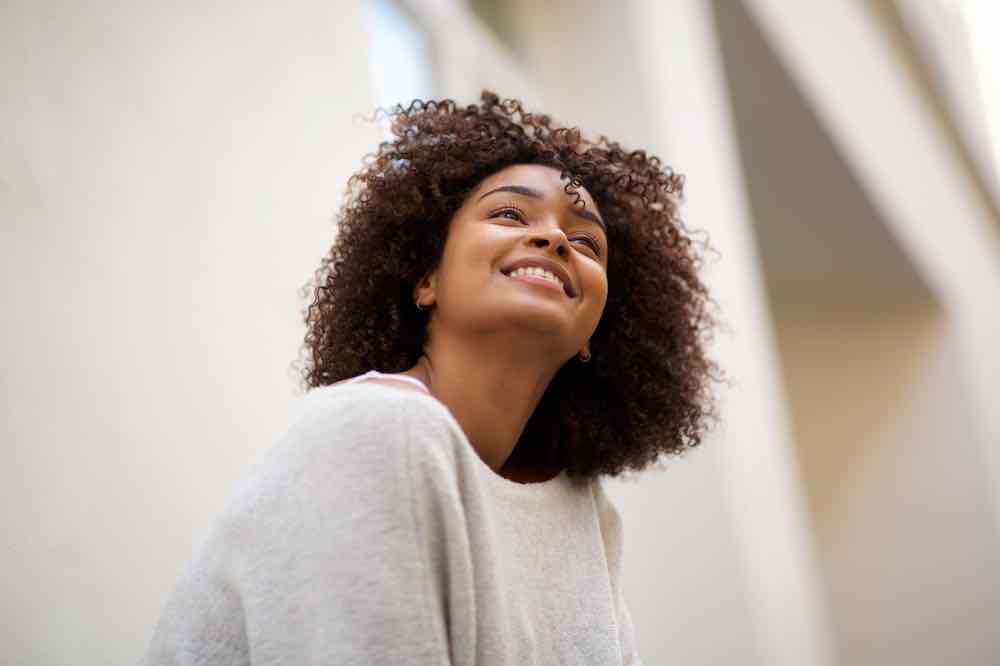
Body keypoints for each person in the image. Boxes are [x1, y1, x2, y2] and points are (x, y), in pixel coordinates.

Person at [141, 90, 721, 665]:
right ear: (425, 280)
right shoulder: (373, 429)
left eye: (587, 242)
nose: (554, 239)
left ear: (594, 331)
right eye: (509, 214)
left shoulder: (583, 511)